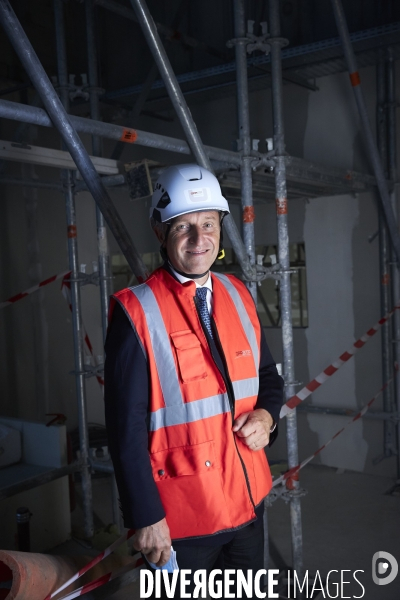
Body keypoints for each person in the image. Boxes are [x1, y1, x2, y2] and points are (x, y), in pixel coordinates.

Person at [104, 163, 284, 598]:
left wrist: (267, 416)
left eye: (207, 224)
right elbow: (124, 429)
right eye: (182, 227)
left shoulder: (238, 295)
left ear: (220, 226)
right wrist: (146, 517)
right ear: (159, 231)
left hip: (247, 504)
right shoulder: (136, 311)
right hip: (182, 522)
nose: (198, 239)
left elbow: (268, 380)